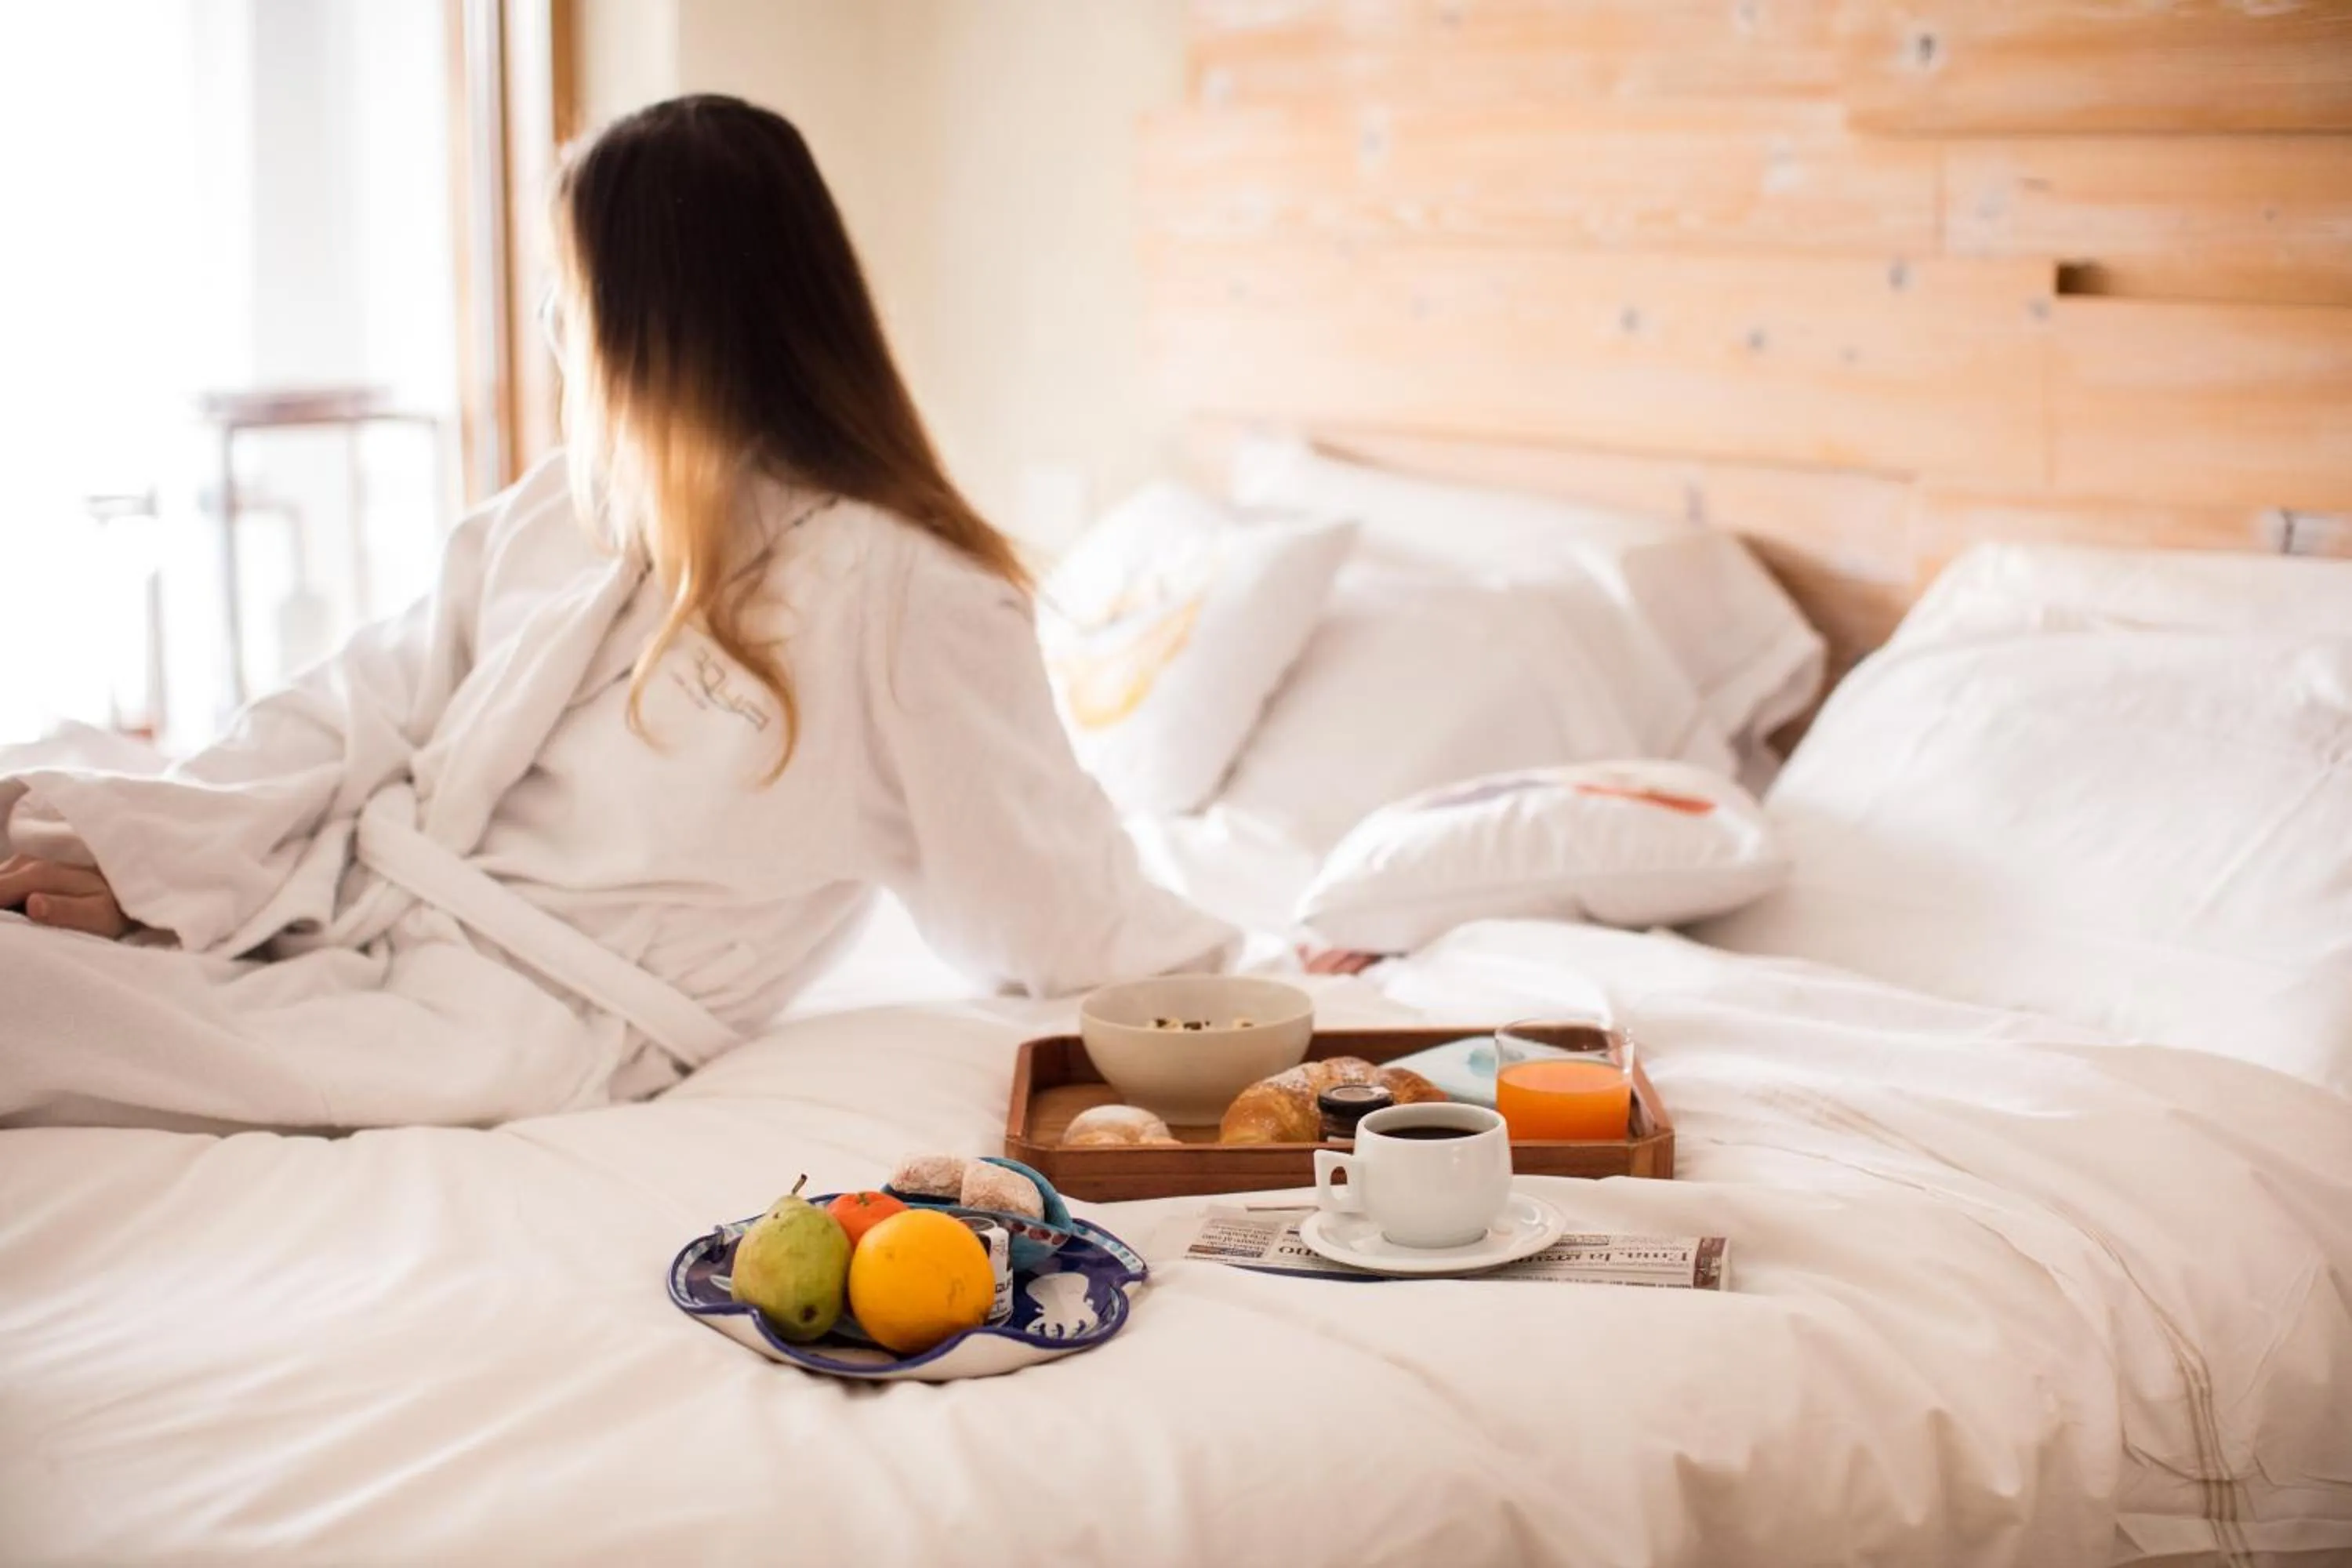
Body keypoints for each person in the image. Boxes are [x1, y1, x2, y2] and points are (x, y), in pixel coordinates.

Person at [0, 95, 1236, 1131]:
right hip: (360, 909)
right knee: (46, 801)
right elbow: (361, 698)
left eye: (569, 288)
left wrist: (1244, 975)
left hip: (513, 1023)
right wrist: (159, 851)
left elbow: (1048, 897)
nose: (553, 323)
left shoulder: (906, 594)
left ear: (663, 320)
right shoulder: (572, 506)